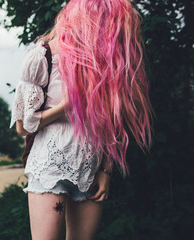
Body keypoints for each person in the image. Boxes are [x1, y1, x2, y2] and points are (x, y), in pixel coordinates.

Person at [10, 0, 153, 239]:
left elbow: (110, 124)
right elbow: (23, 126)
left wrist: (106, 171)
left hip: (91, 168)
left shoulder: (103, 66)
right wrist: (66, 107)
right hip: (50, 168)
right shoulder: (42, 55)